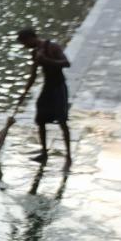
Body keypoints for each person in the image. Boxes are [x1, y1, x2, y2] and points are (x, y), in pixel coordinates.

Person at [16, 27, 72, 167]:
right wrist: (24, 93)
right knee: (40, 119)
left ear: (30, 38)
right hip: (47, 88)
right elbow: (33, 75)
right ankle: (44, 153)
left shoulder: (52, 47)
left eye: (24, 43)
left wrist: (46, 60)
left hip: (59, 88)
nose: (24, 46)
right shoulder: (35, 52)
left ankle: (69, 156)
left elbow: (66, 63)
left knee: (62, 121)